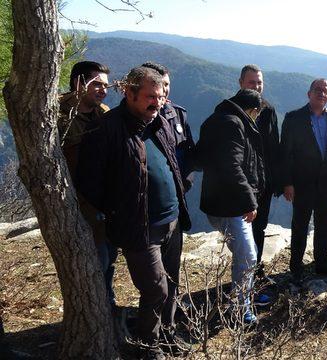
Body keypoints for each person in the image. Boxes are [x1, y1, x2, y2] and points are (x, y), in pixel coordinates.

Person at [76, 66, 191, 359]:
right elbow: (89, 183)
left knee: (171, 285)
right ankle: (147, 346)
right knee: (156, 290)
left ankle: (166, 335)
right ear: (129, 93)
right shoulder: (106, 129)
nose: (158, 102)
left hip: (172, 220)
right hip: (139, 227)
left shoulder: (159, 122)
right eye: (150, 96)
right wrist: (119, 208)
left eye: (162, 96)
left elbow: (173, 163)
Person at [198, 88, 268, 324]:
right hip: (229, 203)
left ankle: (239, 303)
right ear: (254, 110)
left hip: (218, 198)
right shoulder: (233, 124)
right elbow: (232, 166)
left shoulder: (217, 118)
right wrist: (249, 200)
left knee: (244, 254)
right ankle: (240, 309)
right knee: (248, 255)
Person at [57, 61, 118, 308]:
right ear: (78, 83)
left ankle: (106, 299)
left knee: (110, 253)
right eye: (97, 85)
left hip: (103, 197)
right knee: (98, 257)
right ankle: (94, 305)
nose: (103, 90)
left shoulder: (102, 113)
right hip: (77, 200)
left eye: (106, 86)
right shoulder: (58, 116)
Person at [280, 78, 327, 284]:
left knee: (324, 225)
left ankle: (321, 264)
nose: (321, 93)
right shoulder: (293, 118)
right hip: (301, 183)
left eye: (325, 91)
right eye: (317, 90)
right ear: (309, 94)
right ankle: (296, 267)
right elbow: (286, 153)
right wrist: (287, 182)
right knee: (300, 225)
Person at [238, 64, 280, 279]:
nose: (256, 86)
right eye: (251, 82)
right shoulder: (231, 109)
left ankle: (255, 270)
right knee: (241, 231)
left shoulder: (268, 110)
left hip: (262, 182)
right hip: (239, 182)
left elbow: (274, 147)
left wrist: (275, 181)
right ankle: (243, 274)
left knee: (259, 227)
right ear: (241, 83)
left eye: (259, 82)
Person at [141, 62, 197, 191]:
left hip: (178, 192)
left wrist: (187, 181)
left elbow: (189, 153)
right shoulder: (138, 116)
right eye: (160, 84)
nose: (164, 89)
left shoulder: (179, 114)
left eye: (167, 84)